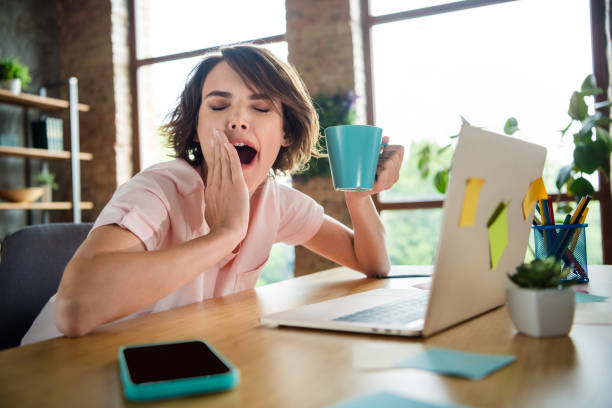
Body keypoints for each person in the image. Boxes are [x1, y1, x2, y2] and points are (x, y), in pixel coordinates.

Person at [21, 44, 404, 344]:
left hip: (171, 359)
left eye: (261, 107)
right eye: (219, 105)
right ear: (196, 128)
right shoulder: (158, 188)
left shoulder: (276, 201)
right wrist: (225, 236)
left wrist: (359, 198)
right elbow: (73, 309)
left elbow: (372, 263)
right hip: (60, 367)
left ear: (285, 133)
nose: (237, 119)